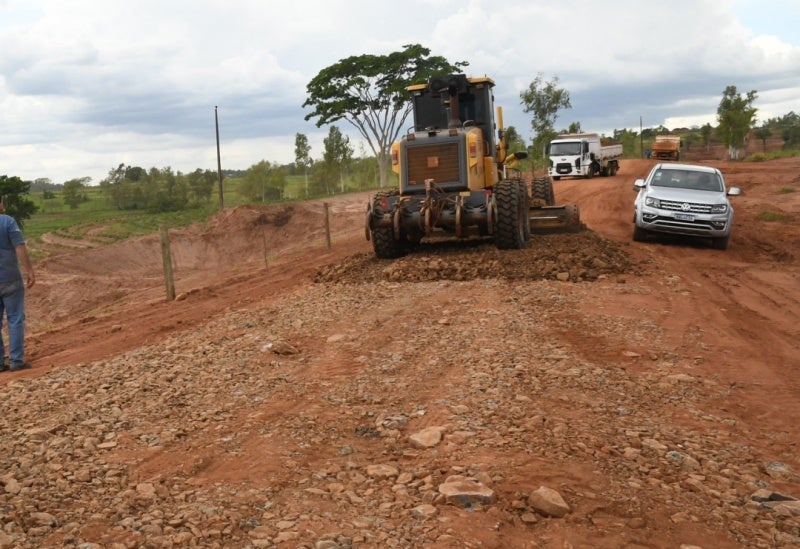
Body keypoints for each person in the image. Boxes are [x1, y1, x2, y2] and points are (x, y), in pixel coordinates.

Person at [0, 195, 35, 372]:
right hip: (10, 278)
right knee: (15, 319)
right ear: (0, 204)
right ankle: (16, 361)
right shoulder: (8, 221)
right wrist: (29, 270)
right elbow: (19, 246)